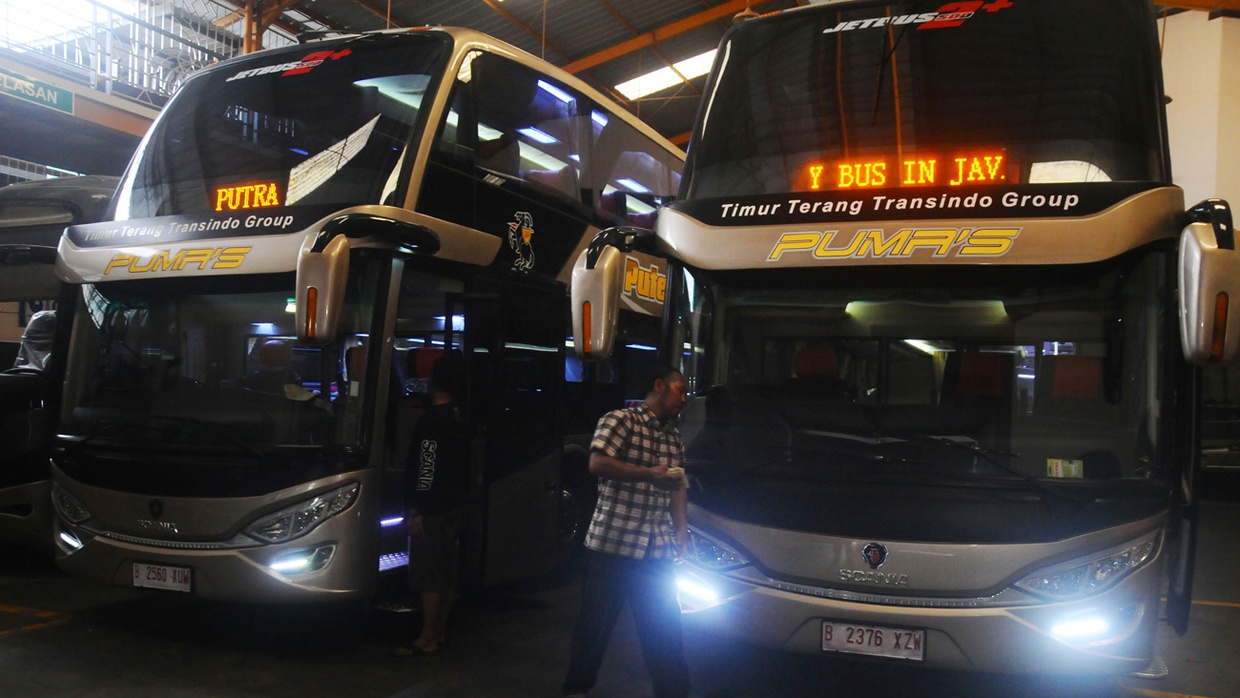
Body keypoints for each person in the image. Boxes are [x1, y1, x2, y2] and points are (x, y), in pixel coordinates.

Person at [561, 366, 691, 698]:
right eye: (680, 390)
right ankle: (576, 690)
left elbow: (678, 486)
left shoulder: (674, 437)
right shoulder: (620, 420)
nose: (684, 398)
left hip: (656, 549)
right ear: (659, 386)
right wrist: (648, 474)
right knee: (594, 628)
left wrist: (681, 531)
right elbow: (597, 463)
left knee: (665, 631)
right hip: (612, 546)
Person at [397, 355, 469, 656]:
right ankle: (440, 631)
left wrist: (416, 510)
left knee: (429, 574)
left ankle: (426, 636)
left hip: (433, 509)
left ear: (433, 382)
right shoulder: (460, 417)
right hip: (455, 504)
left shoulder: (431, 422)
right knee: (449, 572)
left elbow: (426, 469)